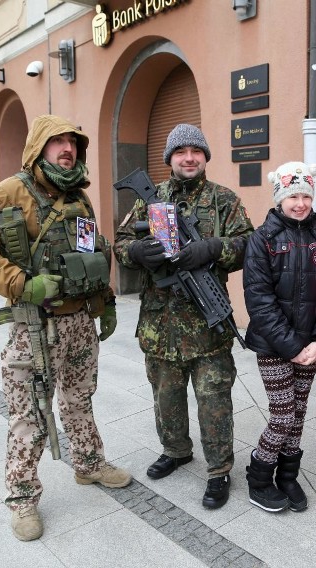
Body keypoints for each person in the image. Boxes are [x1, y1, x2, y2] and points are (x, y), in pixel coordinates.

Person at [0, 114, 131, 541]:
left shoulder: (80, 198)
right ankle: (21, 498)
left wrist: (105, 301)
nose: (67, 148)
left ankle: (88, 464)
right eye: (57, 142)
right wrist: (21, 284)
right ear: (39, 147)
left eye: (73, 141)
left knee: (79, 400)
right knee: (30, 416)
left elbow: (92, 252)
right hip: (33, 328)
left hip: (78, 323)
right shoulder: (10, 192)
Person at [113, 124, 254, 509]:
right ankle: (176, 451)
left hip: (208, 327)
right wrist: (138, 252)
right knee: (166, 398)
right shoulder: (150, 198)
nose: (188, 158)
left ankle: (219, 469)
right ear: (170, 159)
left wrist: (211, 248)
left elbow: (248, 245)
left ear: (205, 157)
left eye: (196, 151)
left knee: (214, 400)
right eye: (180, 152)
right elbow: (120, 244)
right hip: (160, 326)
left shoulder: (223, 199)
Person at [242, 161, 316, 513]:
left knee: (298, 414)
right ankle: (259, 477)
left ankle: (288, 475)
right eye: (292, 195)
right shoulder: (262, 238)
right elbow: (259, 299)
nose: (300, 202)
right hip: (273, 344)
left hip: (309, 346)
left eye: (305, 195)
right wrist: (293, 346)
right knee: (282, 413)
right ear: (279, 197)